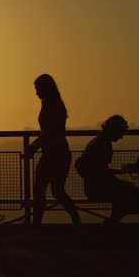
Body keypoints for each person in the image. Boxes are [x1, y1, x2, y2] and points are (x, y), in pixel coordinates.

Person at [26, 74, 81, 226]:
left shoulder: (52, 105)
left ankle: (36, 225)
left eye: (38, 89)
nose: (36, 92)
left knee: (43, 191)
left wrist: (33, 146)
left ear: (45, 88)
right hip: (56, 152)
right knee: (55, 191)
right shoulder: (52, 103)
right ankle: (76, 221)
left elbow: (49, 131)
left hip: (55, 153)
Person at [76, 115, 139, 224]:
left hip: (94, 186)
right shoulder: (103, 145)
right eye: (121, 132)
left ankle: (114, 220)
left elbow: (99, 171)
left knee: (125, 190)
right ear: (114, 130)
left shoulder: (99, 141)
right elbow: (101, 172)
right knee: (132, 194)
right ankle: (113, 221)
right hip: (98, 188)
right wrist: (123, 172)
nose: (121, 136)